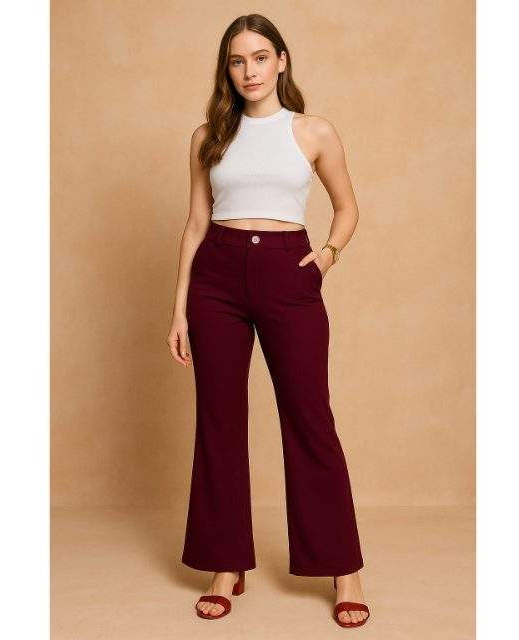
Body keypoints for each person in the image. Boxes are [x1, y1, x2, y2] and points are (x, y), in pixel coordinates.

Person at [166, 13, 370, 628]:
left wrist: (326, 256)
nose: (249, 71)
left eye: (260, 57)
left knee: (310, 418)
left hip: (289, 273)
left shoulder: (313, 131)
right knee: (219, 422)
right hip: (217, 277)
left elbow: (347, 207)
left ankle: (345, 569)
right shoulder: (208, 137)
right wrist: (179, 307)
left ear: (281, 61)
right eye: (237, 60)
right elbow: (196, 223)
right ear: (226, 69)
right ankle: (225, 563)